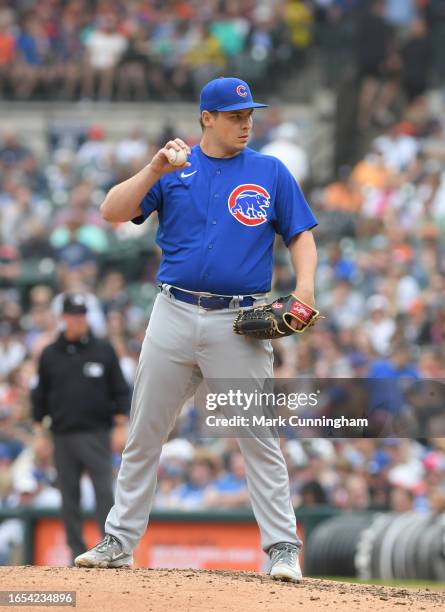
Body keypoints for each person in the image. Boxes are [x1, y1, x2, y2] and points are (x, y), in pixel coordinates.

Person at [74, 77, 318, 582]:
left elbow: (301, 235)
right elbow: (112, 211)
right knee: (145, 432)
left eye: (249, 114)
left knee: (258, 437)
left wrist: (306, 289)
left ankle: (281, 548)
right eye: (234, 115)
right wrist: (156, 166)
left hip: (239, 321)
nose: (246, 122)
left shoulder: (269, 171)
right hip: (174, 312)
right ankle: (119, 540)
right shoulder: (173, 167)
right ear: (206, 117)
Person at [31, 293, 129, 562]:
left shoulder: (103, 350)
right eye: (74, 314)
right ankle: (76, 550)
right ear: (63, 317)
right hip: (62, 434)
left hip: (97, 433)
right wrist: (39, 433)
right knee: (69, 496)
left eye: (82, 314)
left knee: (103, 494)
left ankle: (108, 548)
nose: (78, 319)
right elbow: (40, 397)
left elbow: (121, 391)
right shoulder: (50, 354)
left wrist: (121, 426)